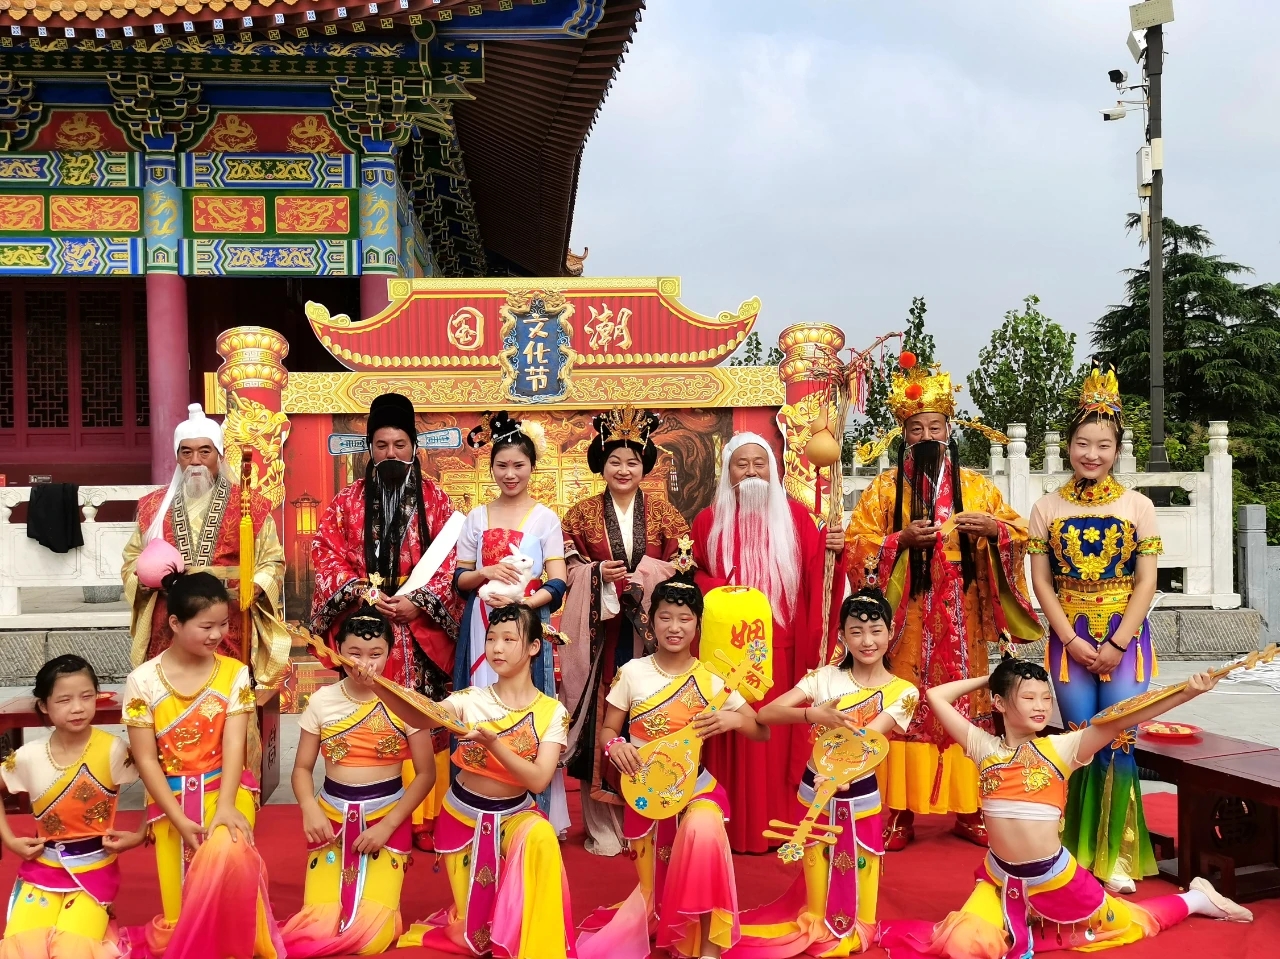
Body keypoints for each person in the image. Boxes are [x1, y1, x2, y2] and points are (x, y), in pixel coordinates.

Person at [878, 657, 1252, 958]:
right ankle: (1018, 920)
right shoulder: (982, 747)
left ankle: (1196, 898)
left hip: (1054, 878)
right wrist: (991, 678)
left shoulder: (1063, 748)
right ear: (1000, 703)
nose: (1041, 706)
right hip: (1000, 879)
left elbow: (1127, 718)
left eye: (1046, 698)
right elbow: (936, 696)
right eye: (1028, 698)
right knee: (963, 944)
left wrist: (1187, 692)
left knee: (1131, 924)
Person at [844, 360, 1041, 850]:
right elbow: (857, 545)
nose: (927, 436)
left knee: (967, 705)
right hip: (906, 620)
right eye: (917, 429)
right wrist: (899, 541)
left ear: (949, 430)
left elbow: (1021, 534)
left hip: (962, 617)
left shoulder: (977, 487)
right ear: (904, 435)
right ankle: (899, 809)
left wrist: (994, 531)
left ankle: (970, 808)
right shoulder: (885, 488)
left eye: (935, 427)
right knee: (903, 705)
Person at [362, 604, 575, 959]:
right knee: (476, 936)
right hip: (463, 818)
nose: (497, 648)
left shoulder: (552, 712)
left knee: (541, 837)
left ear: (534, 647)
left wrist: (495, 744)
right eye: (491, 639)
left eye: (509, 639)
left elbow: (538, 781)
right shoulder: (470, 700)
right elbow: (422, 716)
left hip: (515, 816)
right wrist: (378, 687)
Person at [577, 573, 769, 959]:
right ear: (651, 622)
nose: (675, 627)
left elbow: (761, 731)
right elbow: (609, 729)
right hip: (645, 790)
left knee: (704, 829)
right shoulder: (633, 673)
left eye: (685, 619)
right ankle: (671, 926)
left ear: (698, 626)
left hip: (695, 787)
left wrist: (733, 719)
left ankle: (709, 947)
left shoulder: (713, 679)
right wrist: (615, 746)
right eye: (665, 617)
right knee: (656, 891)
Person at [311, 391, 464, 849]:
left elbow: (455, 561)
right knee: (370, 710)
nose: (391, 453)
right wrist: (361, 592)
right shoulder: (346, 501)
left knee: (422, 717)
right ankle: (372, 804)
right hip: (367, 625)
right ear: (370, 449)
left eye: (400, 444)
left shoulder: (436, 499)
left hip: (419, 626)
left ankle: (425, 818)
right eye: (382, 445)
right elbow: (325, 551)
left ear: (414, 446)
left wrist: (420, 601)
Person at [1028, 369, 1162, 893]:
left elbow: (1146, 581)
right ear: (1068, 446)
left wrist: (1118, 642)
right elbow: (1042, 582)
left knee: (1120, 738)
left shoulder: (1138, 507)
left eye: (1103, 445)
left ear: (1117, 450)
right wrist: (1072, 639)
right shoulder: (1046, 508)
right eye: (1083, 443)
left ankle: (1119, 856)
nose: (1092, 453)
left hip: (1126, 639)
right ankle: (1077, 853)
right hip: (1069, 640)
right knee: (1079, 741)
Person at [731, 588, 918, 958]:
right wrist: (811, 714)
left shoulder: (903, 691)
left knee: (863, 860)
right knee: (816, 860)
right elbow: (766, 714)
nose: (867, 641)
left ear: (890, 631)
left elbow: (869, 740)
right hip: (815, 786)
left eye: (876, 630)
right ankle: (818, 921)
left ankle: (859, 927)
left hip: (858, 790)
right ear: (842, 635)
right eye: (856, 632)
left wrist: (840, 772)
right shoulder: (823, 678)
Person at [690, 433, 845, 853]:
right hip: (727, 653)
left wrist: (833, 552)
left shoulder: (797, 518)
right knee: (732, 736)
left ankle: (780, 822)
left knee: (776, 739)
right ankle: (729, 825)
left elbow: (819, 577)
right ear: (727, 472)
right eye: (741, 464)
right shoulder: (708, 521)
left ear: (773, 470)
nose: (751, 471)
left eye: (760, 463)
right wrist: (718, 590)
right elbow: (696, 574)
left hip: (781, 651)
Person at [123, 571, 281, 958]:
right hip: (169, 798)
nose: (217, 635)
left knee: (228, 849)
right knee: (181, 918)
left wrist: (226, 805)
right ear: (175, 623)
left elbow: (234, 745)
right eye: (206, 626)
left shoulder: (234, 673)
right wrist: (177, 818)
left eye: (223, 624)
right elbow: (146, 759)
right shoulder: (142, 680)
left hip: (226, 788)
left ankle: (236, 942)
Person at [560, 405, 690, 856]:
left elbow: (685, 565)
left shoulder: (665, 514)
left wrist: (648, 573)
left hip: (649, 636)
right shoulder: (579, 515)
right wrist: (597, 574)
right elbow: (565, 567)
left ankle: (653, 818)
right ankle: (603, 829)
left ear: (644, 466)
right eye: (614, 460)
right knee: (600, 721)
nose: (623, 469)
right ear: (601, 464)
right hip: (602, 638)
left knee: (652, 716)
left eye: (632, 461)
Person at [279, 607, 436, 956]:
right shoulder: (322, 701)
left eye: (375, 654)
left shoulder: (406, 703)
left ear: (389, 653)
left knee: (371, 938)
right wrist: (309, 808)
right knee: (317, 926)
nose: (365, 663)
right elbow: (302, 768)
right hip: (330, 819)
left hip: (387, 818)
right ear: (338, 651)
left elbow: (427, 774)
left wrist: (389, 826)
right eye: (354, 653)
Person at [453, 411, 569, 831]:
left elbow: (559, 581)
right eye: (501, 465)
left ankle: (532, 808)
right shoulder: (476, 517)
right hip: (482, 624)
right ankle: (474, 798)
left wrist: (525, 602)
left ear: (532, 467)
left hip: (526, 624)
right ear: (491, 469)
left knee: (526, 704)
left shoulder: (545, 518)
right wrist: (486, 572)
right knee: (479, 703)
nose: (510, 473)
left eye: (519, 465)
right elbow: (459, 579)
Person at [121, 402, 290, 687]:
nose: (195, 460)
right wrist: (143, 578)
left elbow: (272, 559)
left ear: (220, 455)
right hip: (172, 617)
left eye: (204, 451)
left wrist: (257, 585)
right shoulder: (153, 507)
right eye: (186, 452)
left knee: (227, 689)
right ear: (177, 457)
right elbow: (132, 559)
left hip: (226, 618)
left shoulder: (250, 505)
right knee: (168, 689)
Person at [0, 655, 146, 959]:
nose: (78, 708)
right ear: (44, 705)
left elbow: (162, 783)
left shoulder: (114, 750)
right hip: (40, 869)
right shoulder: (28, 756)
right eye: (64, 700)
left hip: (95, 870)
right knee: (23, 950)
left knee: (73, 949)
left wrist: (140, 834)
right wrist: (10, 840)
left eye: (86, 696)